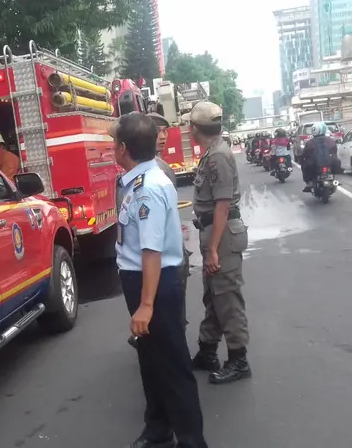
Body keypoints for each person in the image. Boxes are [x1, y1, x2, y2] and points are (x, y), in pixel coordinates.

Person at [111, 112, 208, 448]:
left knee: (172, 366)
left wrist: (146, 305)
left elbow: (151, 250)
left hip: (154, 283)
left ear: (123, 148)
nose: (112, 148)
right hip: (141, 280)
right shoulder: (135, 180)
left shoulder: (148, 187)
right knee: (151, 361)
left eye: (114, 143)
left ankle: (193, 441)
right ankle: (158, 429)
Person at [186, 102, 251, 385]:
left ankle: (238, 361)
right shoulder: (212, 153)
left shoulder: (219, 157)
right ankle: (207, 351)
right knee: (214, 297)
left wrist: (213, 249)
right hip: (214, 232)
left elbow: (222, 206)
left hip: (221, 236)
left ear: (195, 129)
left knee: (227, 299)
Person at [124, 112, 192, 350]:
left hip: (159, 270)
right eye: (158, 132)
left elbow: (152, 245)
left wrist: (146, 303)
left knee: (168, 341)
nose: (163, 137)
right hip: (152, 270)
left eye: (165, 131)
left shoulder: (152, 180)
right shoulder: (141, 175)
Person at [300, 121, 338, 192]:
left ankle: (309, 182)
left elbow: (305, 154)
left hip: (315, 165)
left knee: (305, 165)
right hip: (329, 163)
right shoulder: (330, 140)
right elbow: (335, 150)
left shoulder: (310, 142)